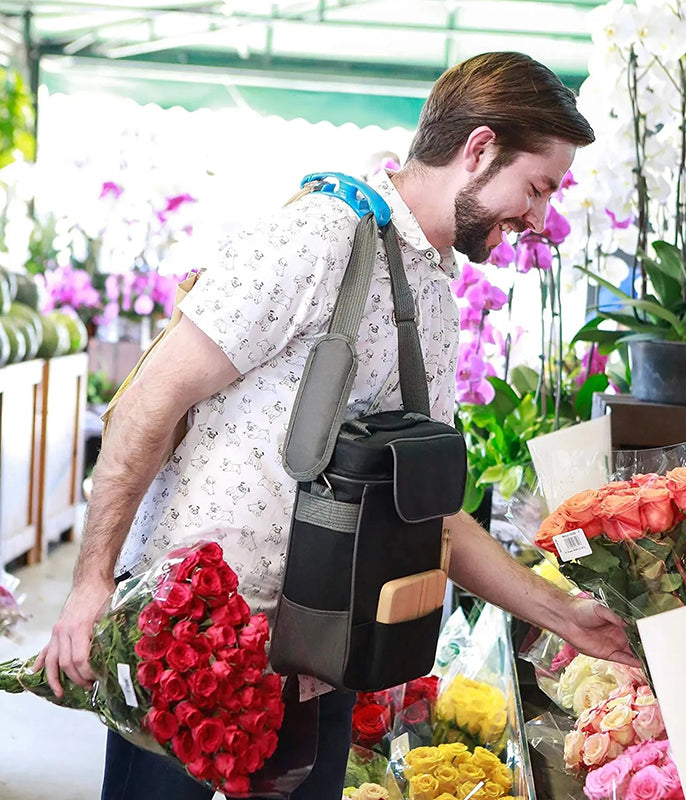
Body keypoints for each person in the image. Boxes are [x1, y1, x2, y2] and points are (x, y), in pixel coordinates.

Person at [35, 51, 635, 800]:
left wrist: (565, 615)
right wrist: (91, 584)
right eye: (538, 188)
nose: (539, 220)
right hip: (188, 646)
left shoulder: (437, 302)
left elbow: (426, 512)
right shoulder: (314, 239)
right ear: (479, 150)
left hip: (319, 663)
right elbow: (145, 406)